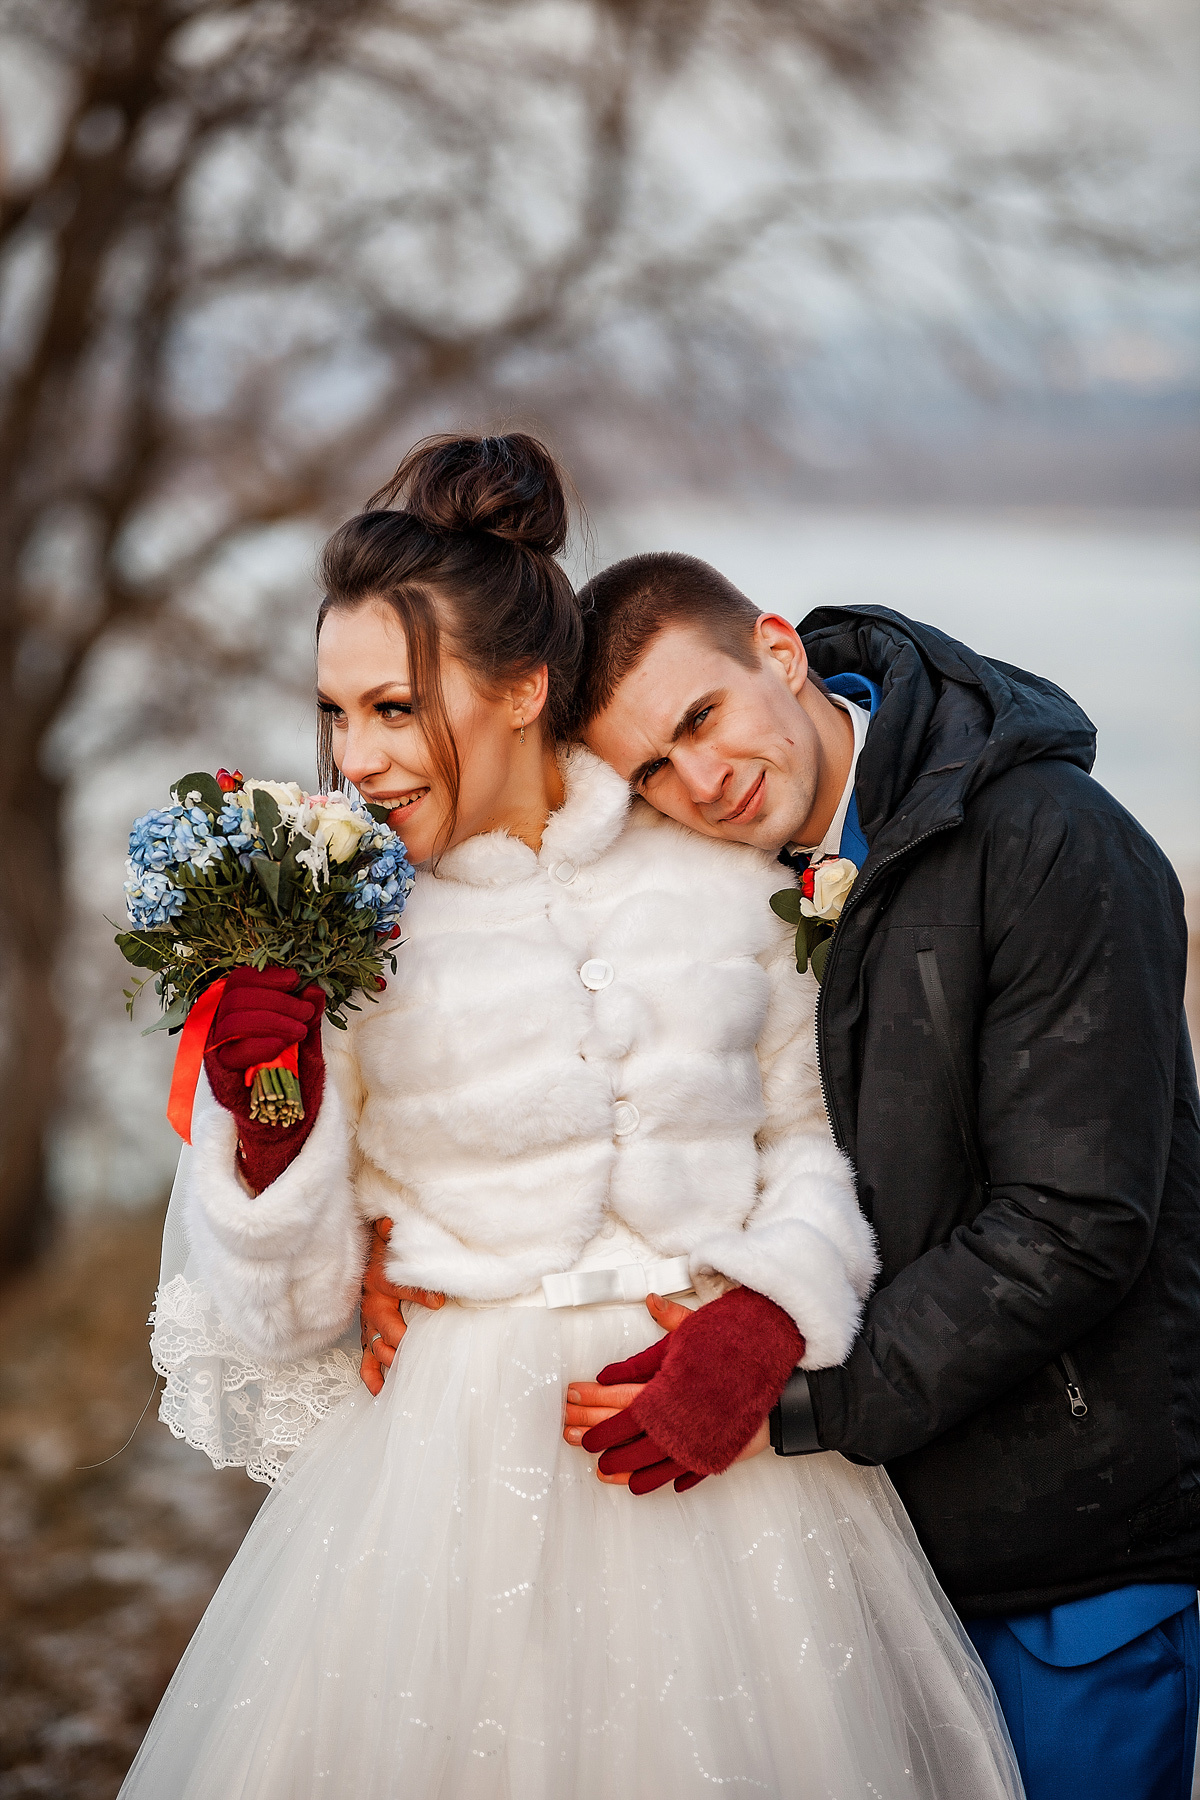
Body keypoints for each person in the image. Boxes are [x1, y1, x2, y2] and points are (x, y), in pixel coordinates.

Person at [123, 437, 1023, 1800]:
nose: (354, 759)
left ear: (523, 686)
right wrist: (271, 1123)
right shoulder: (331, 933)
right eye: (335, 713)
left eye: (393, 708)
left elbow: (813, 1152)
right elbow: (279, 1320)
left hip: (739, 1476)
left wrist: (774, 1311)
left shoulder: (724, 883)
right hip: (446, 1495)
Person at [552, 552, 1199, 1800]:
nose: (702, 781)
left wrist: (790, 1399)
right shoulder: (728, 885)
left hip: (1070, 1546)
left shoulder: (1054, 842)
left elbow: (1072, 1223)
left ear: (780, 653)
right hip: (870, 1551)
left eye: (703, 717)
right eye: (650, 770)